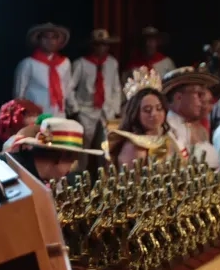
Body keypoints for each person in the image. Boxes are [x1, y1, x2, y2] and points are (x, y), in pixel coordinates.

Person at [71, 29, 122, 172]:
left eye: (104, 45)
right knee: (83, 147)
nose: (101, 48)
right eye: (98, 45)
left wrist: (116, 109)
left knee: (107, 145)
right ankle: (80, 177)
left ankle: (105, 177)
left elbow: (116, 87)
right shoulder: (80, 63)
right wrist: (75, 109)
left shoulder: (112, 63)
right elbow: (70, 88)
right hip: (86, 110)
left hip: (107, 110)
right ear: (92, 46)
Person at [107, 67, 180, 167]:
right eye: (147, 110)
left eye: (159, 108)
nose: (154, 114)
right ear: (135, 113)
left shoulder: (168, 139)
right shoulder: (134, 147)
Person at [6, 117, 103, 182]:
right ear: (62, 156)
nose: (71, 169)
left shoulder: (18, 164)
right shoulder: (22, 183)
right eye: (72, 161)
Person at [162, 65, 220, 167]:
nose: (202, 101)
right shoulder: (167, 130)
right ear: (178, 97)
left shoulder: (198, 126)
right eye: (198, 94)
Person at [13, 22, 76, 117]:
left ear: (58, 41)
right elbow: (19, 94)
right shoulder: (28, 63)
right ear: (39, 40)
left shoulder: (65, 63)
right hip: (35, 116)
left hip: (58, 114)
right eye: (46, 37)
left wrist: (74, 108)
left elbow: (68, 87)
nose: (50, 41)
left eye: (54, 37)